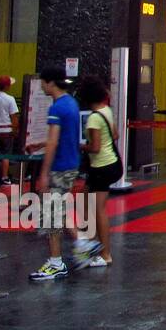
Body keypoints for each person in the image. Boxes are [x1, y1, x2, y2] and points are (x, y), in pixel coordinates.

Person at [27, 67, 100, 280]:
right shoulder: (71, 103)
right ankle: (82, 244)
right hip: (71, 164)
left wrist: (43, 173)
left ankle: (56, 262)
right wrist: (40, 143)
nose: (41, 86)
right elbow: (62, 138)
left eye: (43, 82)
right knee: (58, 209)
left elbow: (53, 142)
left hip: (58, 167)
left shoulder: (57, 108)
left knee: (51, 216)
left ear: (50, 83)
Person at [78, 75, 122, 268]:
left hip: (101, 166)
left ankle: (105, 253)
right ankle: (92, 245)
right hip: (112, 162)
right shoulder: (106, 111)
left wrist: (79, 145)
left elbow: (94, 148)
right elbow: (115, 135)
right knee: (86, 202)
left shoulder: (94, 118)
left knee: (99, 210)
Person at [0, 74, 20, 187]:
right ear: (7, 87)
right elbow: (14, 118)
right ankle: (4, 179)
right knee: (6, 155)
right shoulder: (10, 99)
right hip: (6, 131)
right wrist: (15, 131)